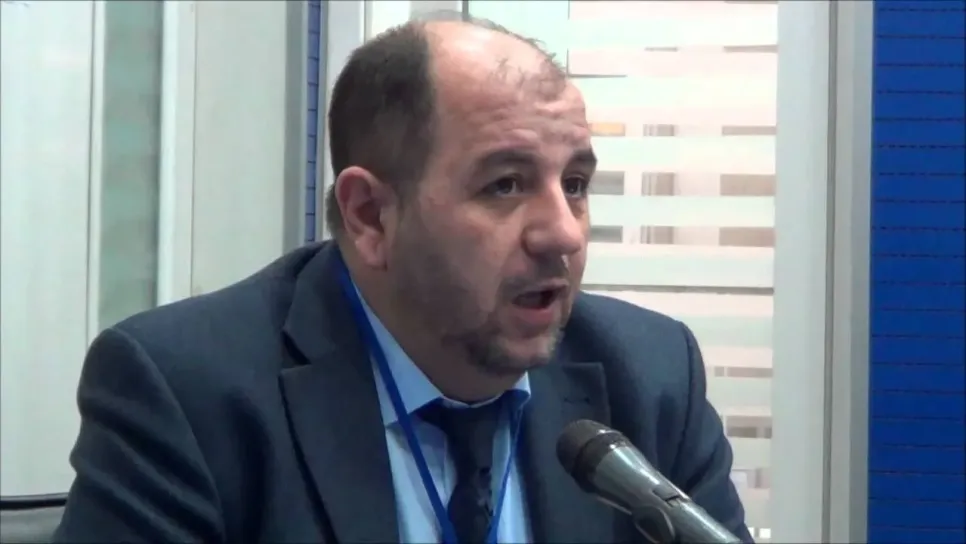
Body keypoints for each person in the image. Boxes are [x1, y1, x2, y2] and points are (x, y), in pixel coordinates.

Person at [54, 14, 753, 544]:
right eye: (506, 184)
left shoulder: (652, 379)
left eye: (574, 184)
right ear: (370, 215)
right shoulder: (189, 394)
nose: (564, 233)